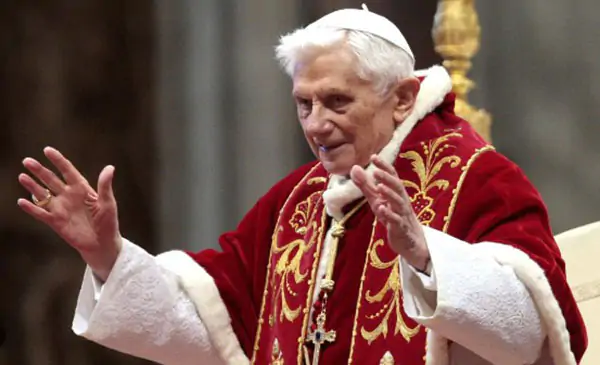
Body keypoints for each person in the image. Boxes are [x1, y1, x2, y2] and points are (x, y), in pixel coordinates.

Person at [17, 5, 587, 365]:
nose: (316, 124)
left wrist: (428, 257)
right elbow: (215, 324)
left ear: (404, 98)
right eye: (303, 104)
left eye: (337, 101)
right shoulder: (298, 199)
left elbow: (536, 332)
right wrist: (107, 257)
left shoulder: (476, 178)